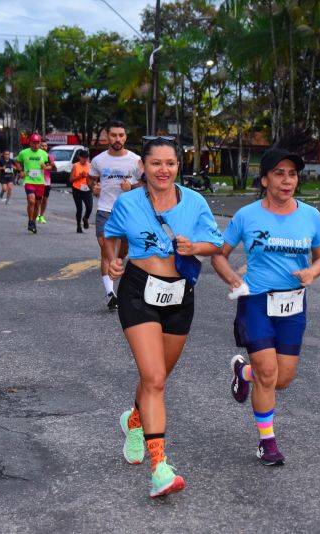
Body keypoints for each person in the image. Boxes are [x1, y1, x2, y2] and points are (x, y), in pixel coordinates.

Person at [103, 137, 223, 498]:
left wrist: (195, 247)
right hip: (139, 291)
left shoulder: (195, 202)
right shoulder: (127, 203)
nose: (164, 170)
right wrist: (111, 259)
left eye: (170, 163)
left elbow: (216, 243)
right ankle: (160, 469)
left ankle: (135, 421)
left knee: (157, 376)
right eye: (156, 163)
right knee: (153, 377)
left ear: (177, 165)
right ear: (144, 166)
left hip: (179, 295)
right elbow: (110, 237)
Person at [210, 147, 320, 466]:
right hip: (257, 301)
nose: (287, 180)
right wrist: (233, 278)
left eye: (292, 174)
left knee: (282, 379)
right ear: (264, 180)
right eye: (279, 173)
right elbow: (218, 253)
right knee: (268, 371)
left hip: (293, 303)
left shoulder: (310, 216)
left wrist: (311, 272)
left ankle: (242, 373)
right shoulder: (247, 216)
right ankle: (267, 442)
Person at [88, 120, 143, 309]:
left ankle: (117, 272)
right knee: (105, 249)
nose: (118, 139)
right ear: (107, 137)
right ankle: (110, 293)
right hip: (105, 210)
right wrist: (93, 187)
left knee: (122, 253)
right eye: (114, 135)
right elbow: (91, 179)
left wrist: (132, 187)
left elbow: (146, 184)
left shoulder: (136, 160)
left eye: (121, 135)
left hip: (128, 213)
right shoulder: (98, 160)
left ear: (125, 136)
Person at [14, 134, 53, 234]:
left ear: (40, 143)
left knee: (37, 204)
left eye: (37, 143)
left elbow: (50, 166)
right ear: (30, 143)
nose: (35, 145)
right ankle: (30, 221)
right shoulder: (24, 152)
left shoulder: (44, 154)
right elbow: (17, 161)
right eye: (33, 143)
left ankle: (33, 222)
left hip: (40, 182)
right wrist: (20, 171)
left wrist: (45, 167)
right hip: (29, 180)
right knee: (31, 200)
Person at [70, 149, 93, 233]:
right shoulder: (75, 166)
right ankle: (78, 226)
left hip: (87, 189)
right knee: (79, 209)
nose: (85, 160)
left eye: (86, 158)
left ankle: (85, 218)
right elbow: (71, 179)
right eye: (83, 158)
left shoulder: (90, 166)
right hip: (77, 189)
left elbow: (93, 178)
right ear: (79, 157)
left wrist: (93, 185)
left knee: (89, 207)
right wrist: (80, 176)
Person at [36, 141, 56, 224]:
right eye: (42, 146)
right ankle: (36, 214)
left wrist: (47, 167)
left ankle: (41, 215)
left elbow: (53, 167)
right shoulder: (36, 156)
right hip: (37, 180)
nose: (44, 147)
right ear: (39, 146)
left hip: (47, 181)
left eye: (45, 146)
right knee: (38, 200)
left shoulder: (50, 157)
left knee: (45, 199)